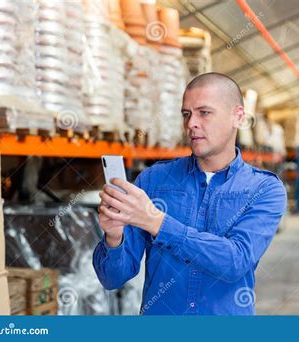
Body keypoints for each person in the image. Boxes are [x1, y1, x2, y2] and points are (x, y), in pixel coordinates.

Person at [93, 72, 286, 315]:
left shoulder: (264, 189)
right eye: (187, 114)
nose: (191, 123)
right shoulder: (153, 180)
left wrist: (155, 221)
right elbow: (112, 280)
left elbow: (235, 261)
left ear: (238, 117)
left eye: (204, 112)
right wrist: (113, 237)